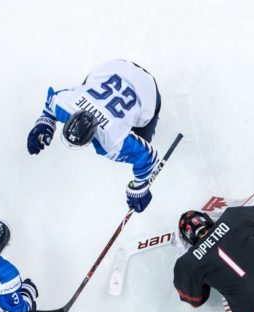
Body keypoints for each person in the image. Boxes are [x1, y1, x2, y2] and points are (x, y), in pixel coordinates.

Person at [26, 59, 162, 213]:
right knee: (85, 89)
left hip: (146, 88)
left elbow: (148, 157)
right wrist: (46, 122)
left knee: (143, 139)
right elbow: (52, 103)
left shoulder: (110, 141)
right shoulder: (65, 105)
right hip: (115, 67)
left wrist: (139, 186)